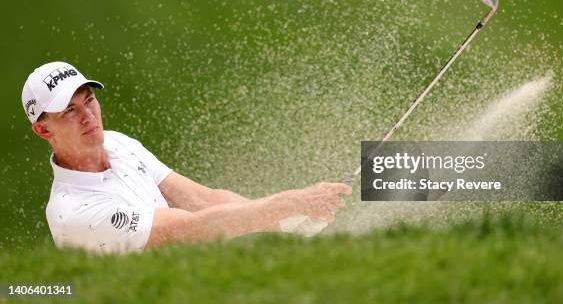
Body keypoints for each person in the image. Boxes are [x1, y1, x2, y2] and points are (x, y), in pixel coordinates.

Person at [22, 61, 351, 254]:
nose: (88, 117)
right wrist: (289, 204)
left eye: (89, 100)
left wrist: (282, 224)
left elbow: (199, 199)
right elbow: (186, 230)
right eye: (69, 111)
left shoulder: (118, 144)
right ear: (43, 130)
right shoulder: (75, 212)